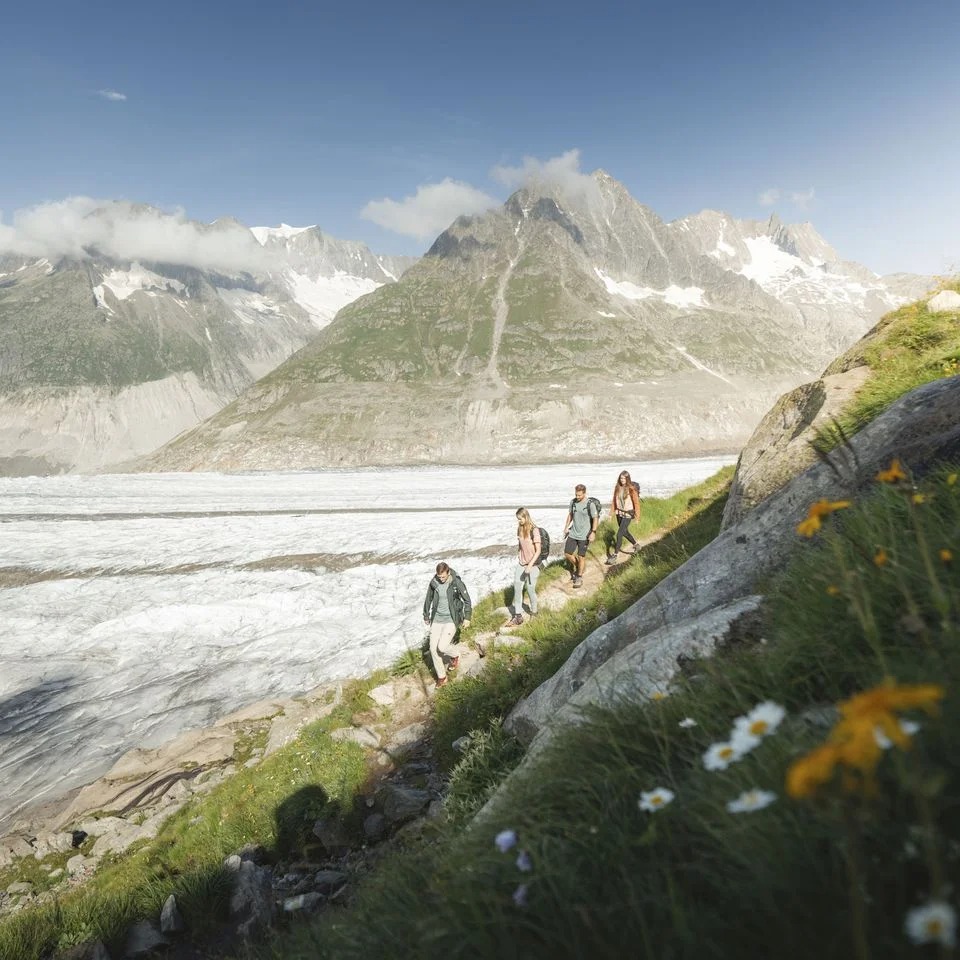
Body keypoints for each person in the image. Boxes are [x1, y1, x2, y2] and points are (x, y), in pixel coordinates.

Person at [422, 562, 472, 688]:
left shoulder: (456, 582)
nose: (441, 579)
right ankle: (442, 678)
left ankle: (455, 655)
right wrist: (426, 615)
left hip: (451, 618)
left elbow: (467, 600)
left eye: (443, 577)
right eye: (439, 577)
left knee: (442, 647)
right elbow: (428, 599)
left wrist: (467, 618)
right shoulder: (434, 583)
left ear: (448, 572)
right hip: (437, 619)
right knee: (433, 649)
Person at [509, 508, 541, 625]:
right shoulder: (519, 529)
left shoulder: (534, 530)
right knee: (517, 588)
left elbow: (538, 551)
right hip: (522, 564)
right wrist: (520, 557)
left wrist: (530, 565)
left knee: (530, 589)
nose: (519, 521)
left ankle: (534, 612)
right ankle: (518, 615)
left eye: (520, 518)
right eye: (518, 519)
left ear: (526, 516)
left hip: (533, 565)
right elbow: (520, 545)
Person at [562, 483, 598, 588]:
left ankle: (579, 576)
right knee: (567, 553)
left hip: (585, 535)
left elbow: (595, 518)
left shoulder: (590, 504)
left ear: (584, 493)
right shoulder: (573, 502)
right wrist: (566, 527)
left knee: (581, 556)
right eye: (576, 495)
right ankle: (579, 566)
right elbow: (570, 515)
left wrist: (593, 532)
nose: (577, 497)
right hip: (573, 532)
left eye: (579, 495)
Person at [607, 469, 642, 565]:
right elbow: (614, 501)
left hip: (628, 514)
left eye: (624, 478)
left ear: (627, 479)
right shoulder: (617, 487)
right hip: (619, 513)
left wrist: (637, 517)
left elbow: (636, 503)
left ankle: (615, 555)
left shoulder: (631, 489)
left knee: (619, 534)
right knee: (625, 532)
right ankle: (636, 545)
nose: (622, 480)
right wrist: (611, 514)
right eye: (621, 478)